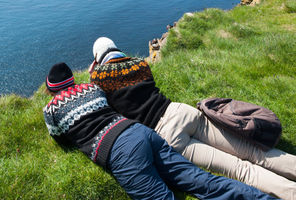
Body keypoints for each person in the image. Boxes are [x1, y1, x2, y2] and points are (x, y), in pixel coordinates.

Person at [88, 37, 296, 200]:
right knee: (253, 151)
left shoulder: (98, 77)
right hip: (181, 111)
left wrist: (92, 73)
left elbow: (103, 101)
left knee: (240, 170)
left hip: (166, 131)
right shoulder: (139, 64)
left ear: (97, 58)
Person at [43, 62, 278, 200]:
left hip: (118, 150)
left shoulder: (51, 109)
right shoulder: (91, 89)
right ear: (73, 80)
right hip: (139, 131)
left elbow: (59, 138)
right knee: (203, 181)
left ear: (50, 89)